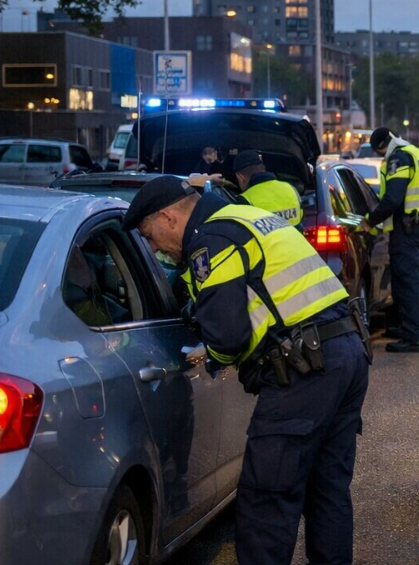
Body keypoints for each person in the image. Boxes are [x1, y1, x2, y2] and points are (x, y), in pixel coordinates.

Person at [124, 176, 369, 565]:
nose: (154, 249)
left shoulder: (211, 239)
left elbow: (228, 334)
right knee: (328, 490)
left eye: (149, 235)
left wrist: (209, 357)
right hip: (346, 352)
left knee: (266, 497)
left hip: (306, 370)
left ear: (167, 217)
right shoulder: (245, 217)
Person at [360, 127, 419, 353]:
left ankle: (413, 336)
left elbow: (392, 199)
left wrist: (369, 221)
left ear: (381, 146)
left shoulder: (398, 158)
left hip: (409, 227)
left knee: (406, 280)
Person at [233, 150, 303, 229]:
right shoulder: (290, 188)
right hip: (296, 240)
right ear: (263, 169)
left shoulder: (244, 200)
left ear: (240, 177)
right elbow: (301, 216)